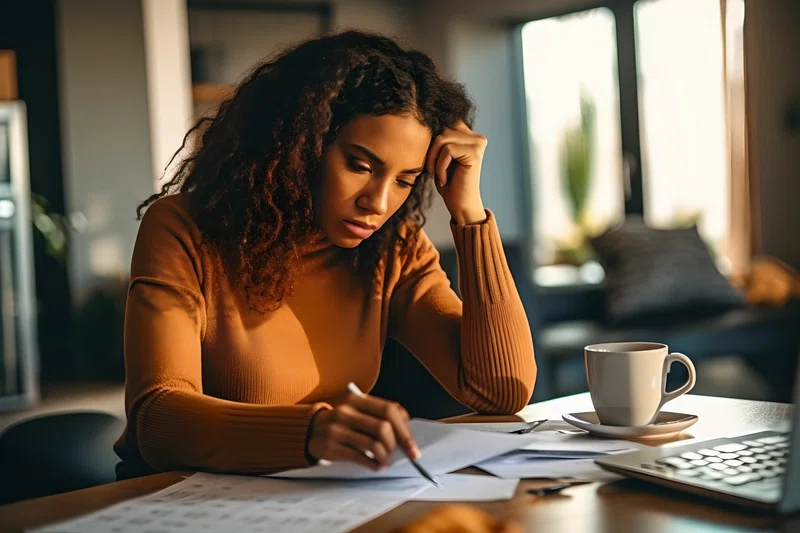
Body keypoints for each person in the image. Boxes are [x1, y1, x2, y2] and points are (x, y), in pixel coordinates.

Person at [114, 30, 536, 479]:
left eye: (405, 180)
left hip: (317, 500)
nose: (377, 202)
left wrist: (470, 214)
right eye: (360, 165)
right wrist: (311, 432)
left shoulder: (393, 250)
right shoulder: (184, 229)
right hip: (176, 503)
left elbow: (500, 392)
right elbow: (157, 423)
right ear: (302, 143)